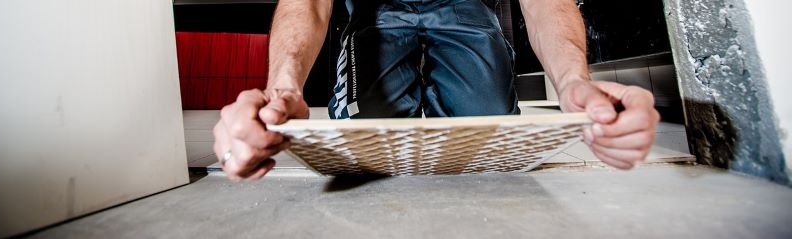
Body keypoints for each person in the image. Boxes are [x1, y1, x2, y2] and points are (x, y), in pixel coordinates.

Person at [212, 0, 661, 181]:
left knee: (489, 138)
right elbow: (307, 2)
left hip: (465, 5)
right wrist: (282, 90)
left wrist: (574, 85)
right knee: (367, 144)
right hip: (377, 8)